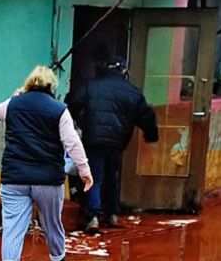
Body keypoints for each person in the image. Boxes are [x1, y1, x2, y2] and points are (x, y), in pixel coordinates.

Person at [0, 65, 93, 261]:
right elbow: (72, 144)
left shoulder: (12, 105)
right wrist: (85, 171)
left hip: (14, 179)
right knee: (52, 222)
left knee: (12, 226)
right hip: (47, 181)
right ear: (52, 86)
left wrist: (17, 96)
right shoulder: (59, 110)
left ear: (28, 84)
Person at [65, 49, 159, 233]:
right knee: (112, 177)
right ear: (123, 71)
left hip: (94, 139)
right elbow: (146, 115)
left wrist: (72, 124)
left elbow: (73, 103)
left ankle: (93, 217)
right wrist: (151, 135)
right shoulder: (132, 92)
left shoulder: (90, 85)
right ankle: (112, 214)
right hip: (118, 142)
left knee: (94, 177)